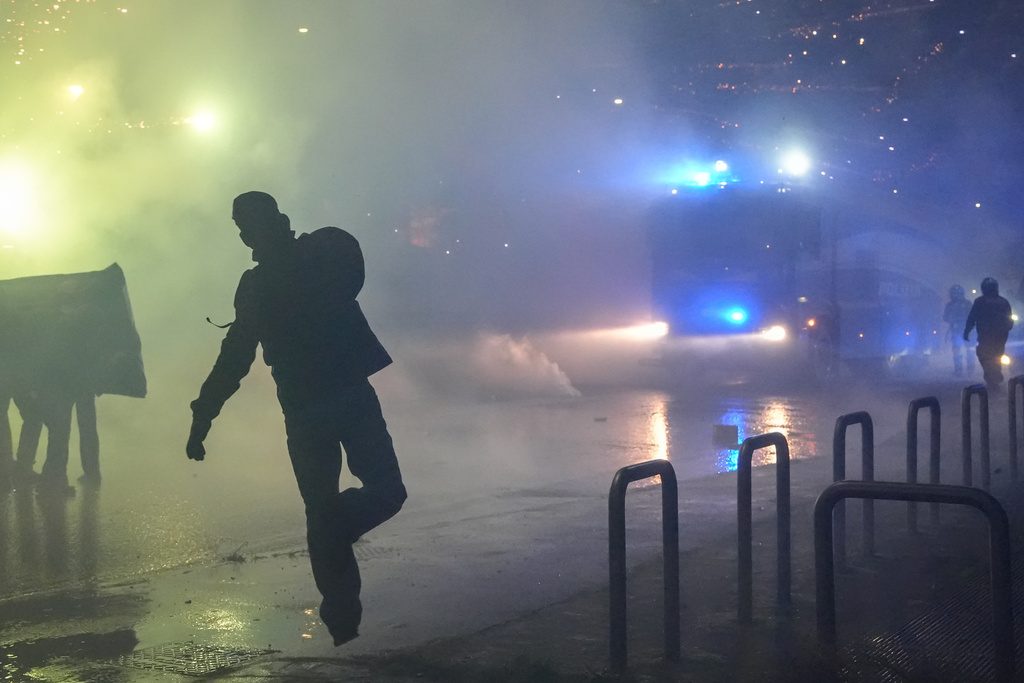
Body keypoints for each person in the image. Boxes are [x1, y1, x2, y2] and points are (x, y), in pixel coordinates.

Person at [186, 191, 406, 646]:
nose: (246, 235)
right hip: (327, 402)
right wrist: (204, 412)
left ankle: (336, 573)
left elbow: (236, 357)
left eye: (248, 226)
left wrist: (204, 414)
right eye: (242, 228)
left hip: (324, 403)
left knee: (346, 508)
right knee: (375, 496)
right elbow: (236, 355)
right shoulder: (304, 262)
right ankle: (342, 620)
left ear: (270, 223)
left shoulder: (306, 260)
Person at [963, 277, 1014, 390]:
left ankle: (992, 378)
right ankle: (995, 377)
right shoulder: (1003, 301)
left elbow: (972, 317)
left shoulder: (980, 302)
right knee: (996, 356)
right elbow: (1009, 320)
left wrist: (967, 331)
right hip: (1000, 336)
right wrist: (1006, 330)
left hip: (986, 336)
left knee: (985, 356)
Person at [942, 284, 973, 377]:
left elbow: (945, 318)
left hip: (961, 330)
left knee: (961, 350)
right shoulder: (966, 303)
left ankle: (962, 369)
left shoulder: (952, 304)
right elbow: (946, 317)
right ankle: (966, 369)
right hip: (963, 331)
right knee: (964, 350)